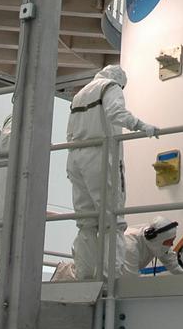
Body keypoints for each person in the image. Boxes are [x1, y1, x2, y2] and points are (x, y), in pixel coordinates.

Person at [66, 63, 158, 279]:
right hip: (100, 156)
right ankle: (110, 279)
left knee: (86, 222)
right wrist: (142, 125)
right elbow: (116, 113)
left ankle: (85, 276)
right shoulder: (110, 86)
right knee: (112, 221)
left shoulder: (79, 95)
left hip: (75, 158)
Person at [51, 216, 180, 281]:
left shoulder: (157, 241)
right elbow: (130, 281)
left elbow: (172, 263)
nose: (171, 245)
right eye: (169, 242)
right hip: (86, 275)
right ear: (157, 239)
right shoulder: (130, 245)